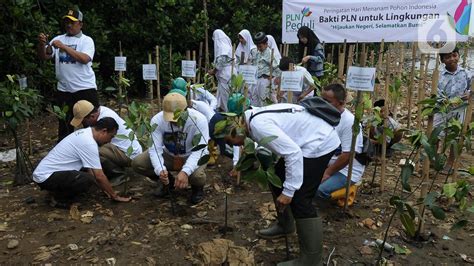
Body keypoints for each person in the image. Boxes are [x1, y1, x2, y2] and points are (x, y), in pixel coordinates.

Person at [221, 102, 340, 265]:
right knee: (277, 176)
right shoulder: (251, 119)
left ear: (238, 130)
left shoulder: (258, 126)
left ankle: (311, 260)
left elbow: (293, 153)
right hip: (308, 140)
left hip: (319, 143)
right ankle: (286, 225)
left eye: (231, 141)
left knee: (301, 199)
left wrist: (289, 192)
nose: (235, 145)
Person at [33, 117, 131, 208]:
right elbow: (99, 175)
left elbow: (91, 169)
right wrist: (114, 196)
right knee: (85, 180)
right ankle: (59, 199)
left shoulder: (86, 133)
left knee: (90, 177)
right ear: (104, 131)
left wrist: (104, 189)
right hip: (46, 177)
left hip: (50, 173)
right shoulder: (88, 142)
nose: (109, 141)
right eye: (111, 136)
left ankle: (57, 191)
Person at [132, 93, 210, 204]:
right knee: (138, 163)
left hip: (192, 154)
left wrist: (185, 172)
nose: (173, 121)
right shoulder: (157, 120)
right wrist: (160, 169)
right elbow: (155, 148)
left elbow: (199, 150)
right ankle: (167, 182)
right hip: (169, 154)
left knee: (197, 176)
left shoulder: (199, 120)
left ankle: (197, 189)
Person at [37, 8, 99, 142]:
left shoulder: (86, 40)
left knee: (91, 123)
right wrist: (42, 44)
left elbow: (85, 59)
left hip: (85, 88)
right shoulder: (58, 39)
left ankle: (97, 152)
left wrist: (64, 47)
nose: (69, 25)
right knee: (64, 125)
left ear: (80, 24)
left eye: (72, 22)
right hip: (64, 90)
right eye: (66, 22)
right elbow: (45, 56)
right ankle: (65, 155)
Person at [70, 100, 142, 185]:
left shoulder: (105, 119)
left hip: (128, 153)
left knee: (90, 149)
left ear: (92, 116)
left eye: (84, 121)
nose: (83, 124)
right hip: (119, 148)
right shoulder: (100, 111)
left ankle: (118, 174)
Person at [316, 84, 365, 205]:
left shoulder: (349, 122)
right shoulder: (324, 114)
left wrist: (327, 173)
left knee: (319, 191)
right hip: (326, 163)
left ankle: (349, 190)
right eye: (322, 99)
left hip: (346, 169)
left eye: (327, 101)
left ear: (341, 103)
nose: (323, 103)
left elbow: (348, 155)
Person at [435, 47, 472, 172]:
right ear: (442, 60)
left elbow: (472, 88)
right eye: (448, 57)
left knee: (456, 136)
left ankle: (450, 163)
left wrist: (470, 94)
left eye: (454, 55)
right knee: (436, 133)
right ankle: (433, 158)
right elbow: (436, 92)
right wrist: (445, 101)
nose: (452, 59)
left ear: (458, 56)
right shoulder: (439, 75)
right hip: (443, 109)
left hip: (461, 110)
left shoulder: (466, 73)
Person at [252, 32, 281, 106]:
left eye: (260, 46)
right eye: (257, 46)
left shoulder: (270, 53)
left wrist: (275, 77)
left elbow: (277, 67)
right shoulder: (258, 53)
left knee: (265, 101)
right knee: (256, 100)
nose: (258, 48)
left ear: (266, 44)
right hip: (257, 79)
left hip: (266, 80)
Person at [209, 29, 234, 112]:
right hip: (229, 72)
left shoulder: (223, 48)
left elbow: (221, 62)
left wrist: (214, 71)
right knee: (226, 95)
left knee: (226, 96)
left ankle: (228, 114)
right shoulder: (227, 46)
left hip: (226, 74)